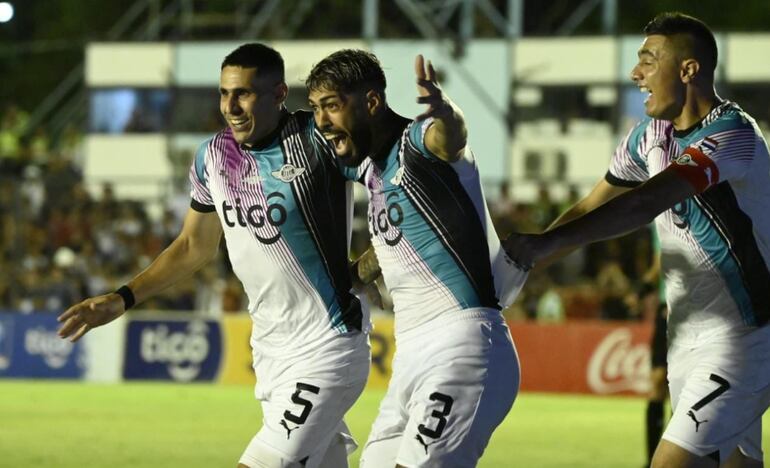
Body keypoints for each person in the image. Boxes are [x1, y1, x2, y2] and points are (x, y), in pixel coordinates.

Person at [57, 43, 370, 468]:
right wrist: (122, 298)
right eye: (224, 93)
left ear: (279, 94)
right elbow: (192, 246)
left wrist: (367, 267)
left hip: (329, 343)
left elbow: (400, 184)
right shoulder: (213, 157)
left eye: (243, 93)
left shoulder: (317, 139)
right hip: (271, 352)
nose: (231, 106)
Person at [503, 12, 770, 468]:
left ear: (688, 70)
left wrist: (541, 247)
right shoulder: (648, 136)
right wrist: (523, 262)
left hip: (744, 339)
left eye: (649, 59)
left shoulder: (733, 135)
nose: (635, 74)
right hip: (683, 337)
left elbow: (644, 203)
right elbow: (590, 207)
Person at [307, 49, 526, 468]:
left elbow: (450, 136)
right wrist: (354, 275)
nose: (321, 121)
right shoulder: (373, 171)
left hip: (463, 348)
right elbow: (394, 244)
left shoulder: (418, 143)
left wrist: (446, 111)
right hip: (410, 360)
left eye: (332, 106)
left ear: (371, 102)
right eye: (316, 109)